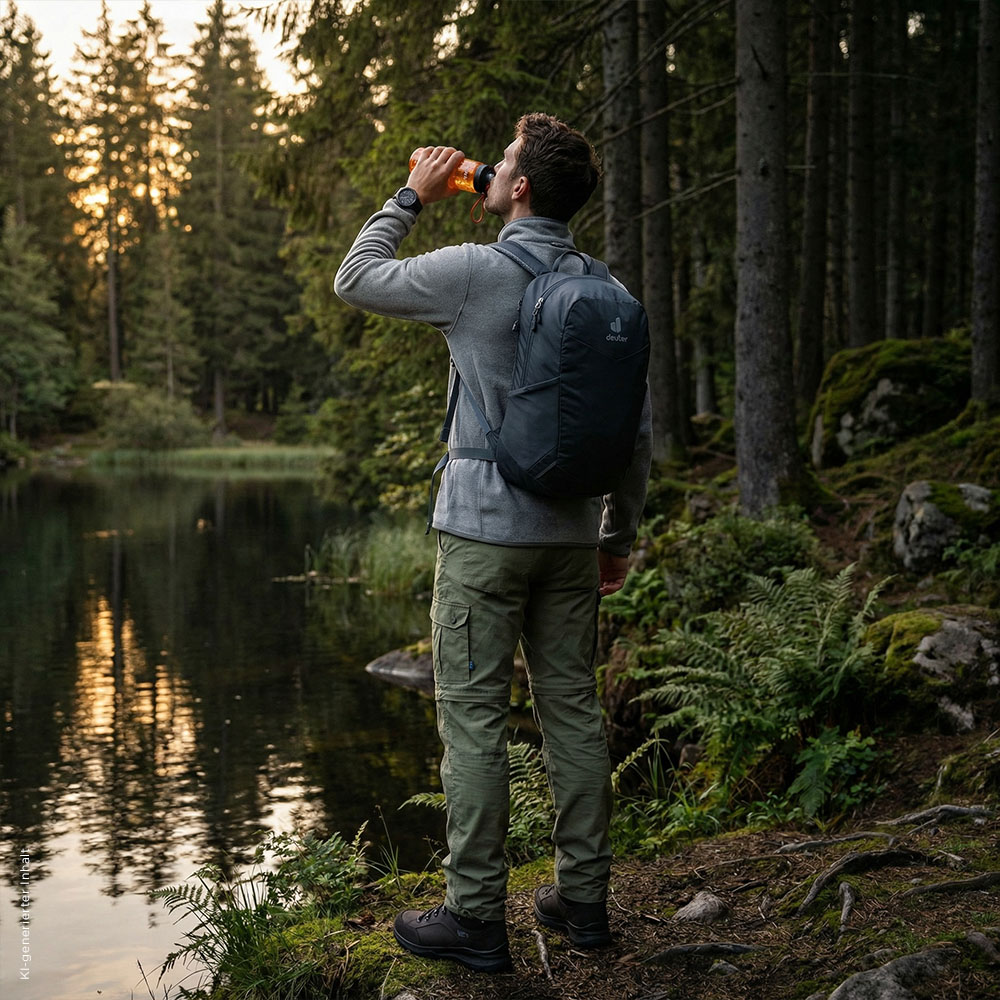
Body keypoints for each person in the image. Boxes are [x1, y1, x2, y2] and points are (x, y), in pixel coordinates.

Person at [334, 112, 652, 974]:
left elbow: (355, 278)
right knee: (572, 712)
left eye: (500, 161)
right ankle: (583, 903)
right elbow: (633, 430)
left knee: (473, 720)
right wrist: (616, 535)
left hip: (482, 533)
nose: (488, 168)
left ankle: (475, 917)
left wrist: (414, 194)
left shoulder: (476, 271)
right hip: (571, 535)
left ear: (516, 189)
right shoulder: (607, 290)